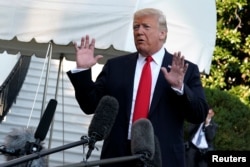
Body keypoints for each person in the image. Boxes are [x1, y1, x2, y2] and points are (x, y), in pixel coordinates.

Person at [67, 8, 208, 167]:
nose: (139, 31)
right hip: (117, 157)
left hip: (162, 158)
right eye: (136, 27)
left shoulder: (184, 69)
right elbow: (89, 105)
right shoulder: (116, 67)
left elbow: (199, 114)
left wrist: (179, 88)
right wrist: (83, 71)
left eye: (146, 27)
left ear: (162, 33)